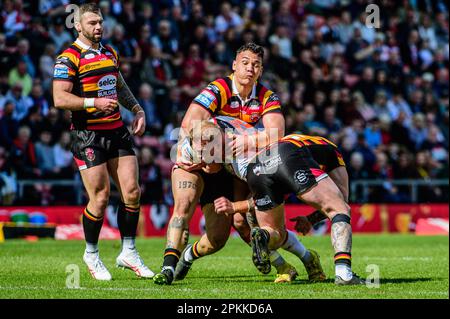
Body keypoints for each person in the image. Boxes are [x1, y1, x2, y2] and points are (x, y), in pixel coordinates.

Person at [153, 43, 293, 285]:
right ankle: (167, 268)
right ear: (234, 65)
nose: (250, 68)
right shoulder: (218, 88)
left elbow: (277, 133)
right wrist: (209, 154)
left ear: (261, 70)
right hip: (196, 161)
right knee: (183, 207)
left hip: (229, 168)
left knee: (222, 236)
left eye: (256, 64)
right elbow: (189, 124)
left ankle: (187, 256)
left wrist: (245, 140)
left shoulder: (267, 96)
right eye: (245, 62)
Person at [52, 3, 153, 281]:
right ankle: (92, 254)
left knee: (132, 192)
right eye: (92, 23)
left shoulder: (109, 52)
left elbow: (119, 84)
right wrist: (93, 102)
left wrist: (136, 109)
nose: (98, 27)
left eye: (100, 22)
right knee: (100, 198)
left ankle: (129, 252)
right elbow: (60, 99)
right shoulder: (68, 57)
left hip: (116, 130)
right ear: (78, 25)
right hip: (88, 135)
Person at [195, 121, 365, 285]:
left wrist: (309, 220)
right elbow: (342, 200)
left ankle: (264, 236)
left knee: (274, 233)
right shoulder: (331, 151)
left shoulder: (228, 150)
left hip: (256, 171)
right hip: (285, 153)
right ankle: (344, 274)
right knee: (339, 208)